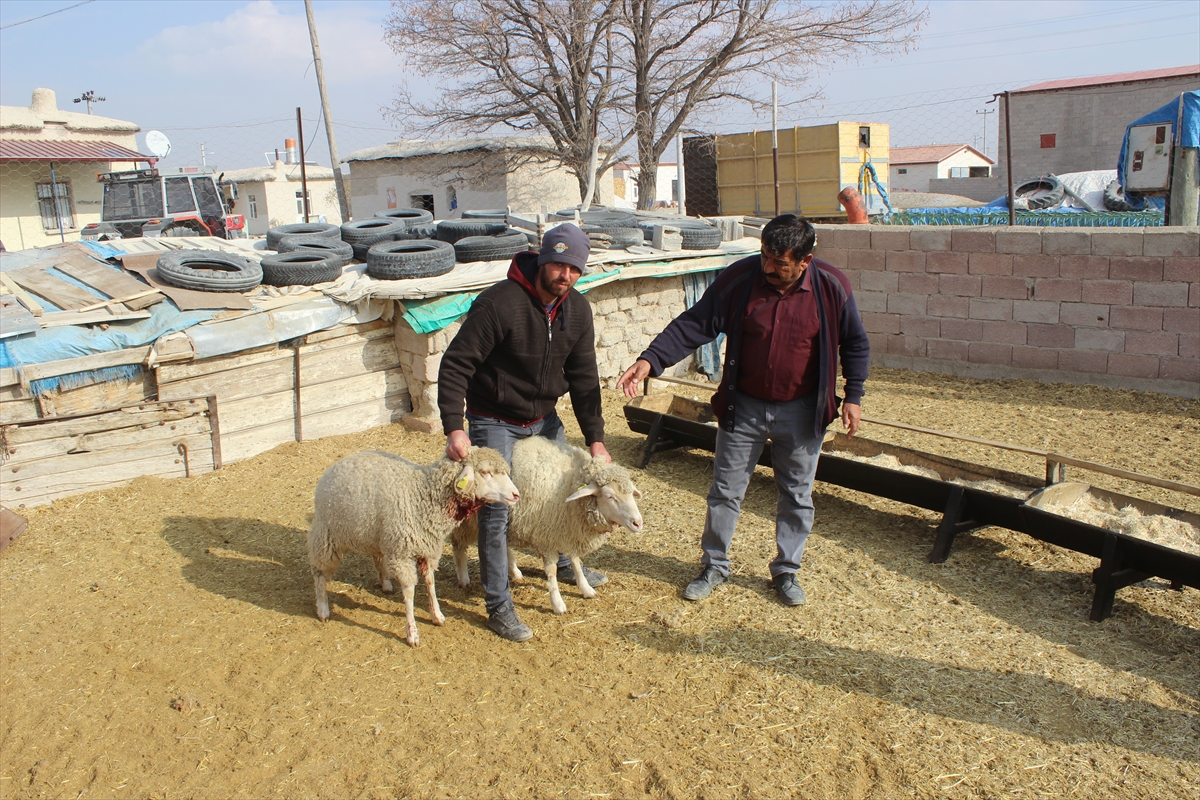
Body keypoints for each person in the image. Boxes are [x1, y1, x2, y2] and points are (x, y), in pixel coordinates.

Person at [617, 214, 869, 606]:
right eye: (765, 256)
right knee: (725, 491)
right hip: (744, 408)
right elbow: (695, 324)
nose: (768, 267)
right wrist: (652, 359)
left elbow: (854, 343)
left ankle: (787, 570)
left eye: (779, 262)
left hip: (803, 412)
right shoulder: (740, 279)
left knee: (797, 495)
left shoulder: (832, 287)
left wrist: (853, 395)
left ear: (805, 260)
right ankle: (714, 564)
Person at [438, 222, 611, 642]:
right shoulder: (500, 303)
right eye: (557, 264)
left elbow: (585, 379)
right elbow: (456, 364)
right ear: (542, 258)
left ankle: (568, 564)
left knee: (563, 491)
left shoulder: (578, 310)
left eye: (573, 268)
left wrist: (596, 439)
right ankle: (499, 604)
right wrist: (455, 428)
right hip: (494, 417)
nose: (563, 275)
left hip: (543, 417)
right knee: (496, 510)